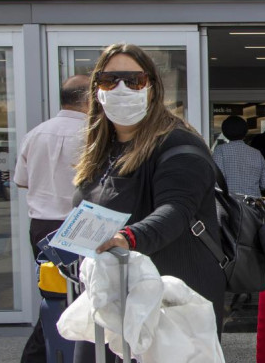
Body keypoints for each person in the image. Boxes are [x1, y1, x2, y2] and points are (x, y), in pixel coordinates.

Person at [73, 43, 226, 362]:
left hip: (173, 294)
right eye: (109, 80)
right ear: (96, 89)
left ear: (153, 89)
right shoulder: (103, 150)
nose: (121, 89)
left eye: (134, 80)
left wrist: (125, 238)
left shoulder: (180, 144)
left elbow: (175, 211)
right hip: (114, 296)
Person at [15, 74, 89, 363]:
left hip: (42, 227)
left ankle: (44, 354)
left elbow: (22, 182)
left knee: (53, 297)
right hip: (80, 227)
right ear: (88, 99)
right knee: (84, 298)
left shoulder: (35, 134)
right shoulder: (94, 134)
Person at [213, 115, 265, 197]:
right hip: (253, 205)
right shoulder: (257, 153)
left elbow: (217, 181)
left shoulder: (220, 151)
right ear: (245, 132)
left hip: (230, 204)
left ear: (225, 132)